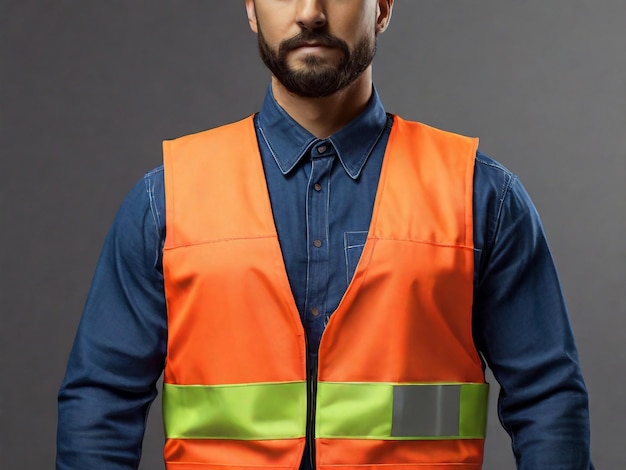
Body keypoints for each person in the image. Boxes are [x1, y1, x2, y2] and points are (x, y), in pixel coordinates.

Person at [57, 1, 594, 469]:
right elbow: (101, 403)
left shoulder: (480, 196)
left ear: (382, 8)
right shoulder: (166, 199)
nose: (310, 12)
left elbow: (548, 401)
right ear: (250, 8)